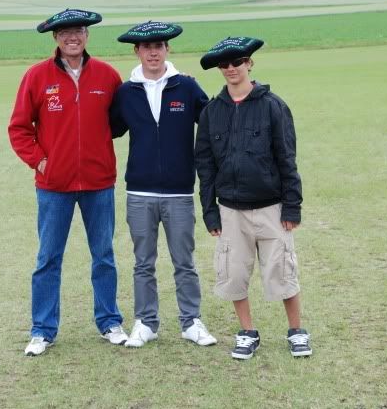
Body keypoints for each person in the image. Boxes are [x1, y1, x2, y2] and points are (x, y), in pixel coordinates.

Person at [8, 9, 128, 356]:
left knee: (103, 255)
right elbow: (19, 127)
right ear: (55, 38)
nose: (72, 37)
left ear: (87, 35)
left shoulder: (107, 75)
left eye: (78, 31)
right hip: (54, 187)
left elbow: (117, 123)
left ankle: (109, 321)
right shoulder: (37, 76)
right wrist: (42, 161)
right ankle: (42, 330)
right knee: (48, 258)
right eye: (65, 32)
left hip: (98, 182)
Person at [195, 36, 312, 360]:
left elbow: (287, 158)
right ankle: (247, 332)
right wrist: (210, 212)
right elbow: (205, 165)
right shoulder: (211, 112)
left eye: (237, 62)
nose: (231, 68)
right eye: (225, 64)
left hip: (271, 207)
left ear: (250, 63)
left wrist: (292, 206)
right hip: (230, 210)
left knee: (282, 271)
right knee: (233, 274)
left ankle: (296, 331)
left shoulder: (273, 106)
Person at [110, 21, 216, 348]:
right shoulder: (125, 93)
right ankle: (145, 322)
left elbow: (214, 122)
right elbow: (109, 130)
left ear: (167, 49)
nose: (153, 52)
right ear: (137, 51)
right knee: (143, 262)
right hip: (139, 192)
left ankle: (191, 322)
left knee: (184, 261)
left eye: (159, 46)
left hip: (180, 192)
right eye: (146, 47)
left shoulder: (186, 87)